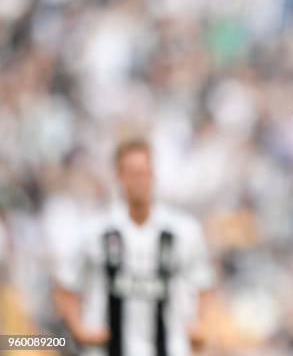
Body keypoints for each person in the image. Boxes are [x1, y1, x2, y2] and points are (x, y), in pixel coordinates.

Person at [53, 139, 214, 356]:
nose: (139, 180)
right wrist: (79, 329)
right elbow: (65, 286)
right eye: (132, 173)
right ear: (119, 177)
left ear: (153, 174)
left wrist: (199, 324)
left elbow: (204, 284)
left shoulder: (183, 231)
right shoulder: (95, 231)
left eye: (143, 172)